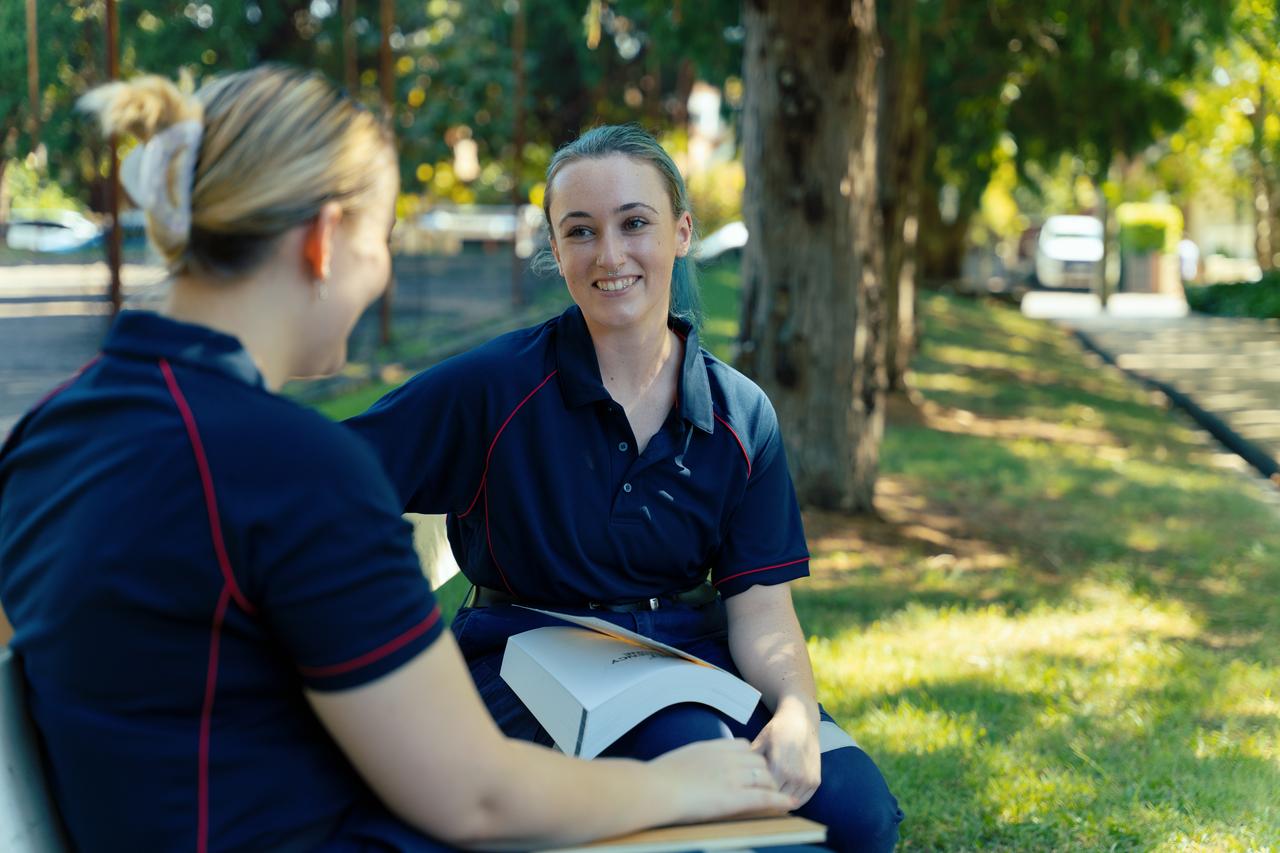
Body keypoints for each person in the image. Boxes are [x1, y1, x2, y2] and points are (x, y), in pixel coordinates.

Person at [0, 70, 795, 852]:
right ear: (323, 240)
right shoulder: (294, 468)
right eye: (379, 242)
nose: (380, 273)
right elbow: (477, 796)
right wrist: (679, 786)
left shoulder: (51, 428)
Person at [346, 125, 904, 852]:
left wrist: (797, 708)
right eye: (581, 231)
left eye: (634, 223)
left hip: (681, 656)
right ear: (555, 247)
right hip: (525, 652)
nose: (610, 255)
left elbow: (763, 609)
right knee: (730, 799)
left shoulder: (741, 415)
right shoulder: (492, 386)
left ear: (681, 231)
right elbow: (328, 473)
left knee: (861, 815)